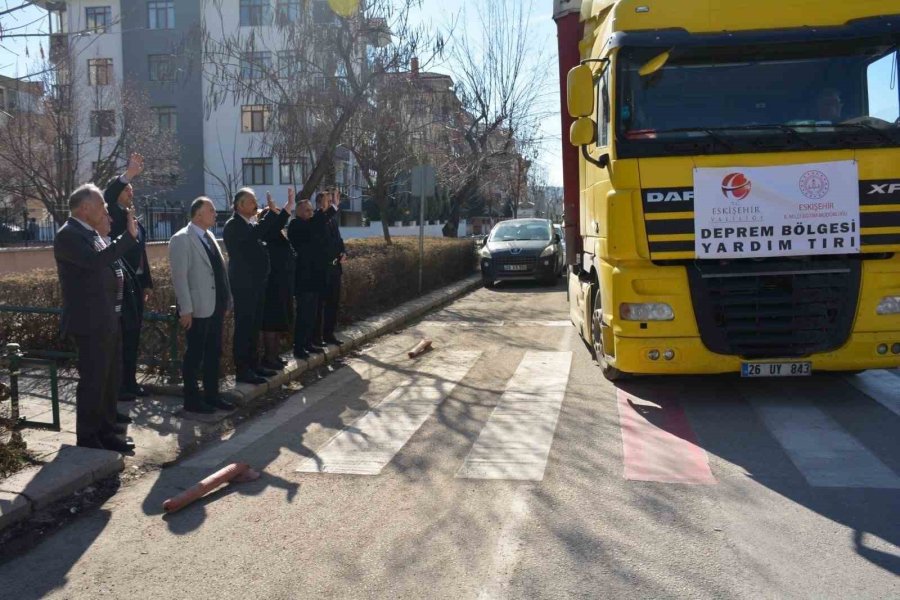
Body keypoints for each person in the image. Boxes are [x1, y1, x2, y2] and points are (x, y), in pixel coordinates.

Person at [53, 183, 138, 453]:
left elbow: (108, 265)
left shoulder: (90, 232)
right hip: (90, 321)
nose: (105, 210)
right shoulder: (69, 234)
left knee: (110, 378)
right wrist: (128, 238)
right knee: (94, 380)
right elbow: (95, 262)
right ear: (85, 208)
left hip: (107, 319)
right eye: (101, 205)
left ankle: (107, 430)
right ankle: (89, 438)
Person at [169, 197, 234, 413]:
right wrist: (185, 309)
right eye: (211, 210)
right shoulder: (182, 239)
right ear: (198, 214)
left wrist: (226, 299)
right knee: (195, 354)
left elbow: (219, 272)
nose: (215, 214)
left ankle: (212, 395)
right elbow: (180, 277)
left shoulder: (210, 236)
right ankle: (192, 400)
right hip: (196, 308)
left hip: (215, 305)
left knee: (213, 352)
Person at [223, 187, 293, 384]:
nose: (256, 205)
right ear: (240, 205)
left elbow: (268, 229)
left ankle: (254, 365)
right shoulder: (234, 225)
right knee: (244, 327)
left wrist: (285, 208)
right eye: (252, 201)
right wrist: (269, 214)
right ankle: (243, 369)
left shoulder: (249, 224)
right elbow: (253, 236)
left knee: (254, 327)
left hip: (257, 285)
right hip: (244, 286)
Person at [105, 153, 153, 401]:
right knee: (122, 339)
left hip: (137, 286)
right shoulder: (112, 215)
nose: (130, 193)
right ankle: (121, 386)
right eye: (127, 190)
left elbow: (141, 254)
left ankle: (131, 382)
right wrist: (128, 175)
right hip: (121, 286)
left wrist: (146, 283)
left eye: (132, 189)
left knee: (134, 336)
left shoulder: (132, 217)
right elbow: (109, 194)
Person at [260, 191, 297, 370]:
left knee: (278, 323)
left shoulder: (278, 235)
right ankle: (269, 357)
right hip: (272, 285)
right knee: (270, 324)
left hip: (282, 284)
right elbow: (277, 224)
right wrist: (287, 206)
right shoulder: (269, 233)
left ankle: (274, 356)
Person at [287, 199, 326, 359]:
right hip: (303, 278)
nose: (311, 213)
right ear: (299, 212)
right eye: (307, 211)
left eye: (312, 210)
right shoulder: (296, 225)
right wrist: (328, 211)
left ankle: (309, 342)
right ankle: (299, 346)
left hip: (314, 277)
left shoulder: (311, 225)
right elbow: (311, 228)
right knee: (303, 314)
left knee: (312, 313)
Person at [315, 188, 345, 346]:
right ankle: (317, 337)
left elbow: (338, 240)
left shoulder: (332, 220)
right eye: (328, 200)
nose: (331, 203)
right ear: (320, 203)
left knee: (333, 303)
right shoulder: (316, 219)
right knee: (319, 305)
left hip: (335, 269)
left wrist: (343, 252)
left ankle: (329, 334)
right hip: (322, 270)